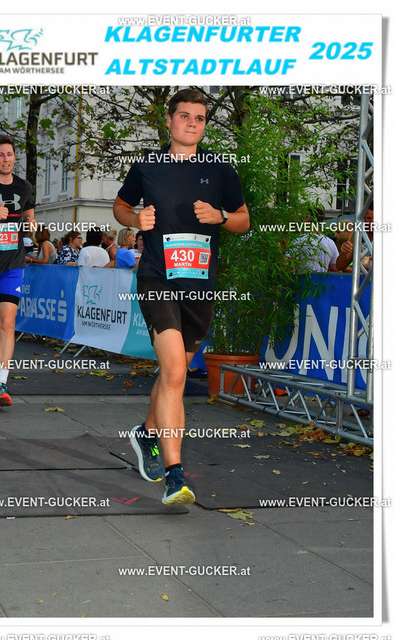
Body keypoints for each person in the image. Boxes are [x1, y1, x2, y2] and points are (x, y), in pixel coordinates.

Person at [113, 88, 249, 505]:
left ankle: (146, 433)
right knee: (175, 370)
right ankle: (175, 476)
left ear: (205, 125)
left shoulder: (221, 169)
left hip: (199, 286)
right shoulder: (147, 166)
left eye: (199, 118)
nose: (192, 123)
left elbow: (244, 221)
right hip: (156, 277)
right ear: (170, 120)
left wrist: (221, 216)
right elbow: (120, 207)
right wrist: (135, 218)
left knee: (173, 373)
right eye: (184, 116)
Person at [0, 134, 36, 406]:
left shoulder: (24, 186)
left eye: (10, 154)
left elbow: (28, 212)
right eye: (0, 155)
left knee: (7, 322)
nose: (6, 159)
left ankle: (1, 384)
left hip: (13, 264)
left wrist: (31, 223)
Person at [336, 202, 373, 272]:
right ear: (364, 218)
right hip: (362, 278)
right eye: (369, 218)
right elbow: (340, 266)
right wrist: (343, 253)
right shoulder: (359, 235)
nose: (372, 222)